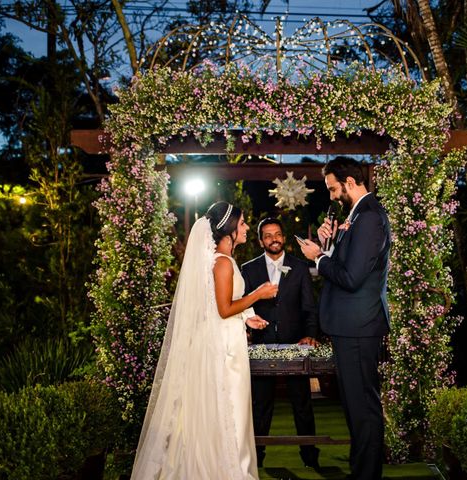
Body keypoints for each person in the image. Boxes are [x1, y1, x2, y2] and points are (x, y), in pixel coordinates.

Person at [131, 201, 278, 480]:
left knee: (230, 411)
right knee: (230, 410)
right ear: (230, 230)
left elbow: (217, 307)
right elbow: (223, 309)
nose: (247, 228)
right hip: (222, 350)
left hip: (227, 340)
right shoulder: (222, 262)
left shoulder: (222, 260)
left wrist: (247, 317)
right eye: (244, 223)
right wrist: (258, 294)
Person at [297, 157, 390, 480]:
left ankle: (366, 476)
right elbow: (348, 265)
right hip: (348, 326)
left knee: (363, 406)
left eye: (334, 188)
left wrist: (318, 258)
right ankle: (360, 472)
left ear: (350, 182)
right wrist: (329, 242)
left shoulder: (369, 218)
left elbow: (350, 278)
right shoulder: (356, 217)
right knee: (353, 406)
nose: (333, 196)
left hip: (358, 326)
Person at [241, 217, 320, 469]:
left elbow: (309, 306)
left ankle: (310, 457)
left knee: (302, 403)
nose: (273, 239)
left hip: (296, 345)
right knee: (260, 405)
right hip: (262, 346)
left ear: (283, 237)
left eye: (277, 234)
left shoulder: (299, 267)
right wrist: (247, 328)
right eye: (267, 235)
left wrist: (310, 334)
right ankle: (257, 458)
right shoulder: (249, 269)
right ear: (260, 240)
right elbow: (243, 305)